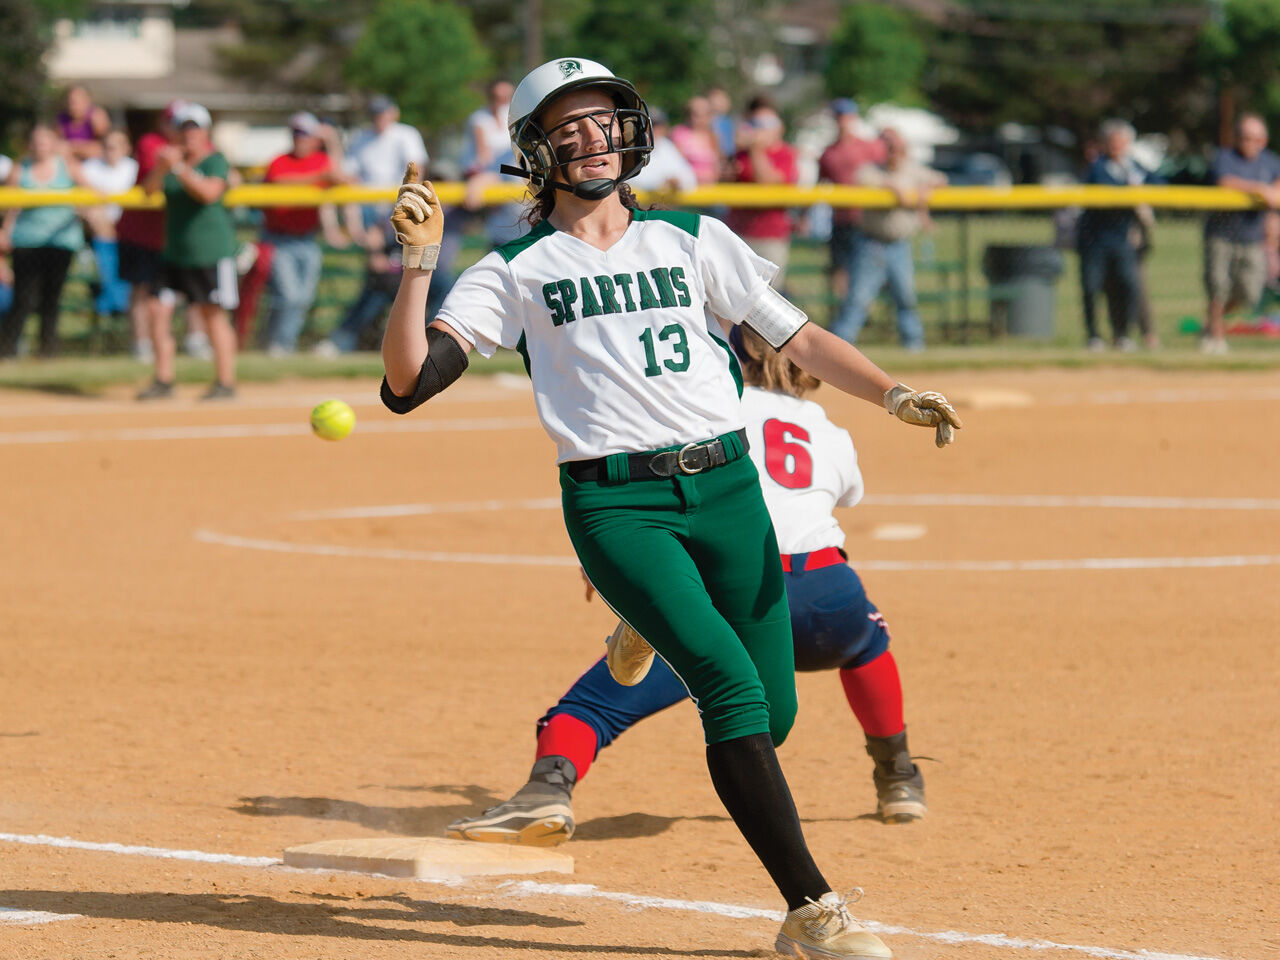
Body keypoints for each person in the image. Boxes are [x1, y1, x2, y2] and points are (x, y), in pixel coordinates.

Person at [379, 56, 961, 960]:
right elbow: (409, 384)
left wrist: (891, 395)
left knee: (772, 716)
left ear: (630, 131)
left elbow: (798, 336)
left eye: (602, 118)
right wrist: (419, 263)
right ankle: (814, 912)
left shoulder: (696, 238)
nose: (590, 136)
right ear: (537, 152)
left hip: (731, 490)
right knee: (728, 693)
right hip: (621, 507)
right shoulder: (518, 267)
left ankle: (636, 635)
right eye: (565, 126)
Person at [447, 323, 928, 851]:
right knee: (867, 642)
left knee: (591, 708)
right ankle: (899, 777)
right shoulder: (827, 429)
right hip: (826, 591)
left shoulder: (708, 413)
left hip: (725, 598)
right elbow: (844, 494)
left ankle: (548, 788)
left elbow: (661, 504)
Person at [138, 103, 238, 400]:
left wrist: (179, 168)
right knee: (157, 309)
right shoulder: (171, 163)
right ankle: (164, 379)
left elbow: (209, 193)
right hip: (174, 253)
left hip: (209, 253)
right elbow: (148, 190)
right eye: (184, 128)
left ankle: (225, 383)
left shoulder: (215, 161)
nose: (189, 134)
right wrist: (161, 168)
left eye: (195, 128)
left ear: (206, 132)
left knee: (213, 316)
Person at [830, 128, 945, 351]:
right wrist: (893, 187)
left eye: (898, 148)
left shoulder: (912, 170)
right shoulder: (871, 169)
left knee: (906, 297)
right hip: (870, 244)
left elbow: (941, 180)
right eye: (890, 148)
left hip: (900, 245)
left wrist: (925, 188)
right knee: (858, 300)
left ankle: (914, 345)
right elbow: (863, 179)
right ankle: (839, 347)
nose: (894, 153)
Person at [258, 112, 345, 355]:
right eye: (296, 133)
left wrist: (333, 143)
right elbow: (279, 182)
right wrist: (320, 177)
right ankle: (276, 345)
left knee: (302, 298)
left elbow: (343, 177)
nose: (299, 138)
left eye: (305, 134)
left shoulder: (321, 160)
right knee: (287, 296)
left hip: (307, 239)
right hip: (278, 238)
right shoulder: (279, 160)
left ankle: (284, 345)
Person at [0, 126, 87, 359]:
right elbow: (10, 206)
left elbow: (88, 192)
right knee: (22, 298)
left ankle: (48, 352)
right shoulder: (21, 168)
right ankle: (8, 351)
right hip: (27, 240)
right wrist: (4, 232)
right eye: (36, 141)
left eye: (45, 141)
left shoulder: (66, 165)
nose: (40, 146)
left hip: (61, 240)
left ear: (54, 143)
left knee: (52, 298)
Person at [1076, 119, 1160, 352]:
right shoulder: (1096, 166)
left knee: (1128, 286)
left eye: (1122, 142)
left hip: (1124, 240)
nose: (1117, 146)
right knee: (1092, 287)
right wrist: (1128, 190)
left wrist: (1141, 189)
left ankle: (1122, 335)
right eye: (1113, 142)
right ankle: (1093, 335)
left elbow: (1160, 183)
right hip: (1095, 240)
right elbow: (1097, 189)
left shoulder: (1134, 167)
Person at [1202, 112, 1280, 354]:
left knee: (1250, 292)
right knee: (1218, 286)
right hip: (1221, 234)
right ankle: (1215, 337)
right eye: (1245, 137)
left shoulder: (1271, 162)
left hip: (1252, 236)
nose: (1249, 143)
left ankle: (1211, 324)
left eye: (1255, 138)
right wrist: (1259, 189)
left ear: (1263, 140)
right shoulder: (1224, 157)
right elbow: (1224, 182)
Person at [117, 101, 184, 362]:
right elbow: (156, 181)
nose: (182, 130)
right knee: (142, 291)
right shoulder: (150, 143)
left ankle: (188, 342)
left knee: (177, 295)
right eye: (177, 123)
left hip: (174, 237)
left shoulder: (194, 146)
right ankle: (141, 344)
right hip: (141, 233)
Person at [818, 100, 886, 312]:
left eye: (846, 117)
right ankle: (843, 314)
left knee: (866, 271)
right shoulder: (829, 152)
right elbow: (820, 184)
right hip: (840, 221)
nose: (843, 122)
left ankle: (862, 314)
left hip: (866, 222)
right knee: (839, 271)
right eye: (839, 117)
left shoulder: (870, 148)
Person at [727, 100, 799, 289]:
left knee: (768, 299)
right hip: (739, 233)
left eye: (764, 124)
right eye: (754, 124)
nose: (757, 130)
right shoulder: (740, 154)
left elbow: (767, 181)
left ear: (779, 128)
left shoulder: (786, 154)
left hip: (770, 237)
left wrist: (755, 149)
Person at [81, 129, 140, 318]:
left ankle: (115, 303)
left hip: (129, 233)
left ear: (126, 148)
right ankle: (116, 304)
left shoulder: (134, 169)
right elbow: (79, 203)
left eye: (116, 145)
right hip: (98, 235)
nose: (111, 150)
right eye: (107, 145)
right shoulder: (90, 168)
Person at [628, 107, 697, 194]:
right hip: (636, 205)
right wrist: (661, 182)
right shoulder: (631, 146)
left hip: (663, 205)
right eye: (649, 124)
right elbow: (629, 180)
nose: (653, 129)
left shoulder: (667, 146)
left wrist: (678, 182)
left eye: (657, 125)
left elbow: (689, 178)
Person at [669, 95, 723, 186]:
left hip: (710, 187)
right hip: (688, 187)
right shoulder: (678, 134)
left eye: (704, 114)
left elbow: (717, 166)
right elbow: (677, 165)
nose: (700, 118)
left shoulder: (713, 136)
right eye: (695, 114)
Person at [56, 85, 111, 161]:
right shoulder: (62, 120)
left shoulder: (97, 117)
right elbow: (58, 146)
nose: (72, 106)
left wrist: (73, 147)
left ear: (87, 100)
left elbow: (103, 148)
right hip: (71, 163)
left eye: (75, 102)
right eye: (70, 102)